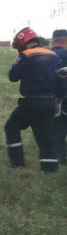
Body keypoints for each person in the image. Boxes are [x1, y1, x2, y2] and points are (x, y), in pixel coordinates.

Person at [4, 27, 63, 172]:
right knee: (46, 137)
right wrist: (58, 100)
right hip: (49, 102)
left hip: (31, 102)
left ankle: (17, 164)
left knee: (11, 127)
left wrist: (17, 61)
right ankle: (50, 169)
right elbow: (61, 82)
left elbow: (13, 77)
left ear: (23, 43)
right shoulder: (54, 55)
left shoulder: (26, 55)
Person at [50, 29, 67, 163]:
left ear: (54, 41)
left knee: (58, 129)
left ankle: (61, 158)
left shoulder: (48, 55)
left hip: (56, 98)